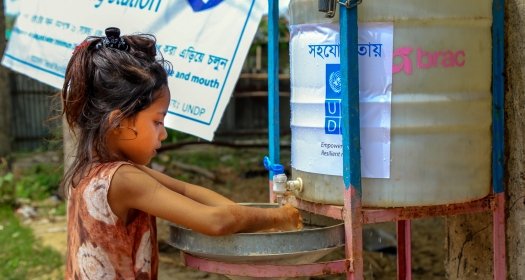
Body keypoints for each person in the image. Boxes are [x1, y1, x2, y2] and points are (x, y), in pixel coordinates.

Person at [61, 27, 303, 280]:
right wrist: (279, 217)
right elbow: (215, 221)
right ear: (119, 122)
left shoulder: (95, 171)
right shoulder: (121, 180)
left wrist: (243, 216)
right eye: (157, 121)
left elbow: (187, 191)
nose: (163, 134)